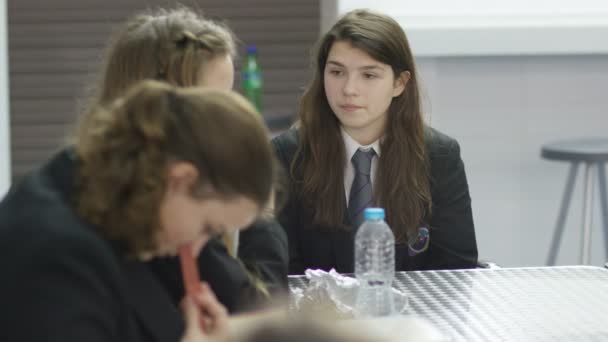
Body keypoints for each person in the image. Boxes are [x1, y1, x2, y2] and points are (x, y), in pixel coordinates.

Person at [0, 80, 277, 341]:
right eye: (208, 228)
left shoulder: (117, 208)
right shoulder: (58, 255)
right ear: (181, 179)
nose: (195, 250)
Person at [77, 7, 288, 311]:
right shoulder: (171, 210)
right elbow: (259, 312)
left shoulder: (106, 179)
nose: (226, 121)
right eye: (214, 105)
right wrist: (260, 216)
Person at [272, 9, 478, 274]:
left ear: (399, 83)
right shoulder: (287, 155)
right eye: (336, 72)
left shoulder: (439, 156)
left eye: (368, 75)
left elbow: (456, 268)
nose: (349, 89)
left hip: (412, 312)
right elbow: (279, 269)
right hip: (317, 313)